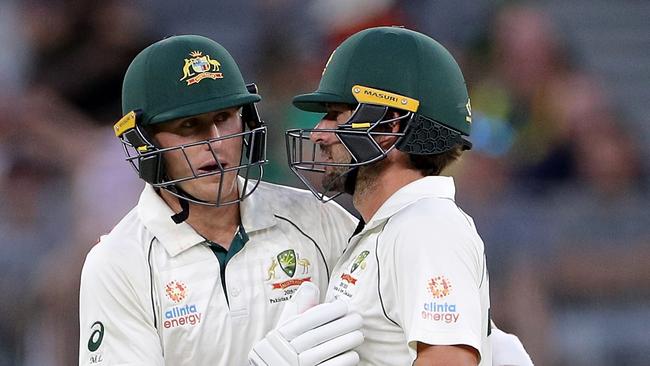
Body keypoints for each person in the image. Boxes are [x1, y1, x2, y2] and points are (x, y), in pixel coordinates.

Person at [78, 34, 363, 366]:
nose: (215, 142)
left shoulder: (319, 220)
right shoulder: (120, 263)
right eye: (189, 126)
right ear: (146, 144)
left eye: (223, 118)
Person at [286, 26, 531, 365]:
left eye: (334, 115)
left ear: (388, 129)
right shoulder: (396, 228)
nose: (318, 133)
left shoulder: (426, 229)